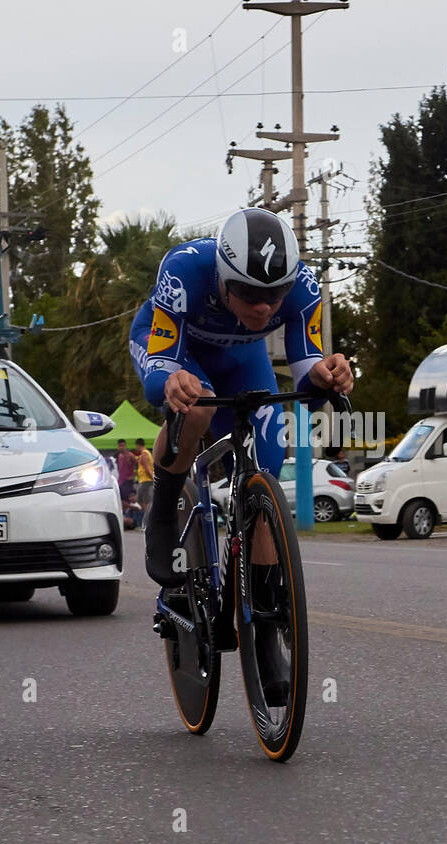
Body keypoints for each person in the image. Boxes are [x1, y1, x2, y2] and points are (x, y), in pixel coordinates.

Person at [128, 207, 352, 589]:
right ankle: (163, 512)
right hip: (175, 351)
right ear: (223, 279)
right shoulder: (184, 270)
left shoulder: (304, 287)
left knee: (264, 473)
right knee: (195, 405)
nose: (264, 307)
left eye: (275, 294)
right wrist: (171, 381)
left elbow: (308, 377)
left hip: (242, 362)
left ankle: (262, 601)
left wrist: (325, 375)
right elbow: (160, 374)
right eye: (249, 294)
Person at [133, 437, 155, 514]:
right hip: (145, 480)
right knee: (141, 499)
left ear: (138, 445)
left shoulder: (144, 454)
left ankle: (148, 515)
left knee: (143, 500)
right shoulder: (147, 453)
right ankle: (148, 515)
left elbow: (146, 468)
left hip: (146, 480)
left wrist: (152, 477)